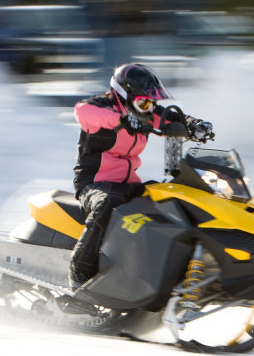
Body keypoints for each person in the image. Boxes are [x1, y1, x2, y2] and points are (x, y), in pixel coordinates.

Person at [68, 63, 212, 289]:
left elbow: (167, 119)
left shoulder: (142, 112)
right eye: (144, 102)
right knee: (109, 203)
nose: (149, 108)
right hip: (95, 184)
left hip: (128, 184)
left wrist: (194, 126)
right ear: (124, 95)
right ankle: (79, 274)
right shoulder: (100, 107)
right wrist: (122, 120)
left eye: (152, 102)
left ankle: (153, 276)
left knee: (167, 203)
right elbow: (82, 111)